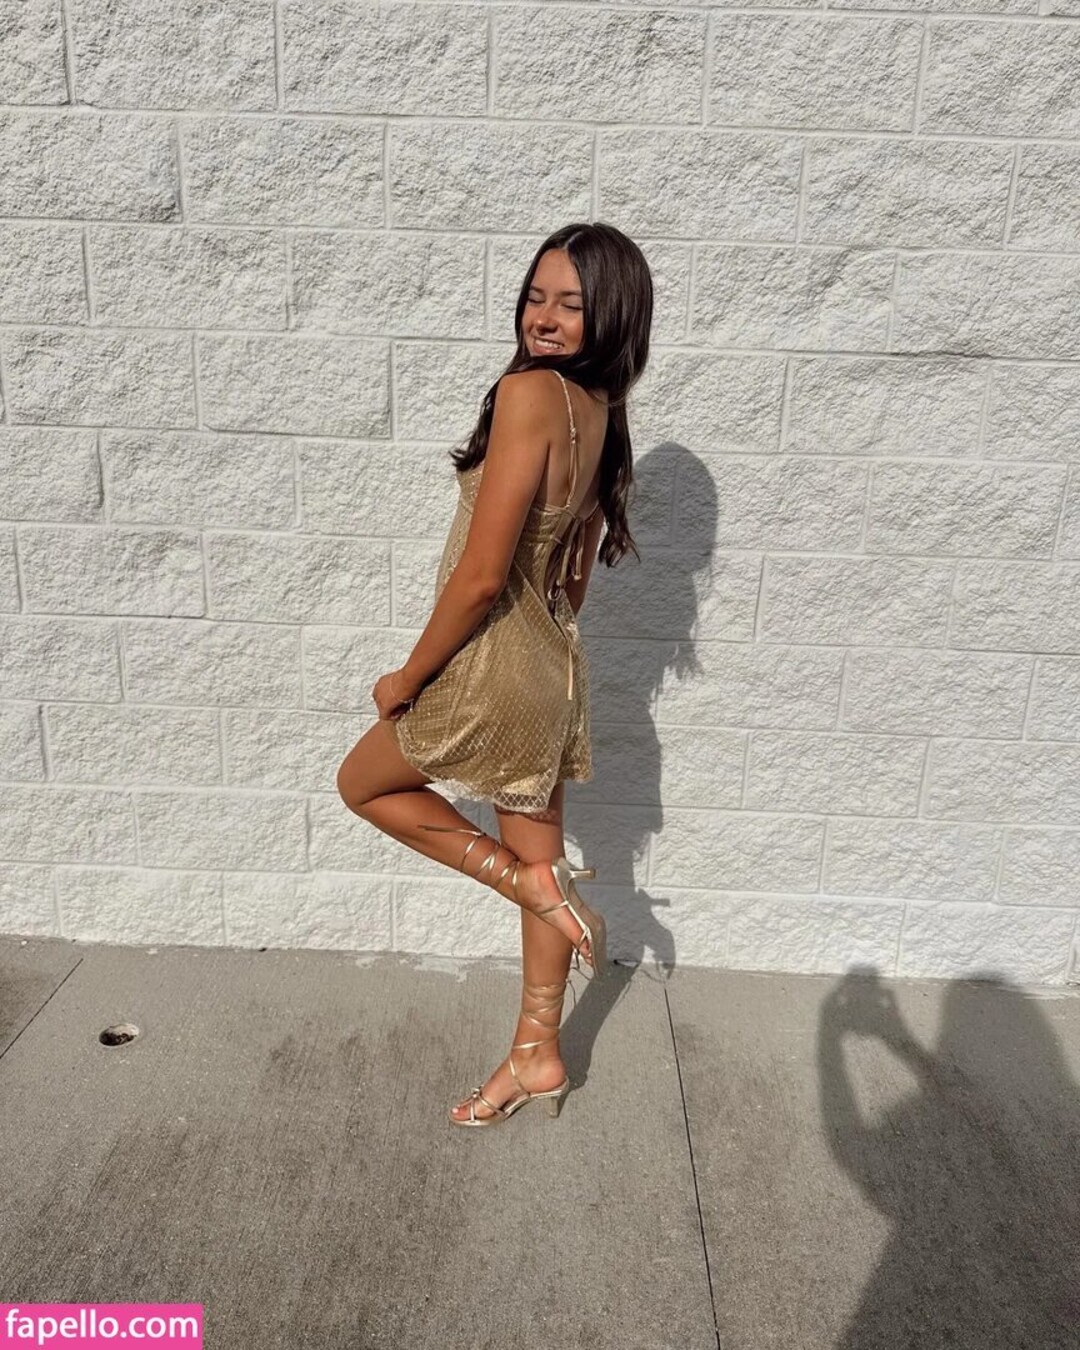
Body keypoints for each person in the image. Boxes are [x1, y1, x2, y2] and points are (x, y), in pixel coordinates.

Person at [336, 221, 653, 1127]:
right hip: (551, 671)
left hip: (493, 667)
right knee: (542, 858)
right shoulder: (600, 413)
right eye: (534, 296)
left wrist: (408, 676)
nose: (543, 318)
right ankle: (537, 1054)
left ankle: (530, 890)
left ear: (611, 316)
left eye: (571, 304)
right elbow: (574, 581)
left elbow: (481, 578)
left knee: (362, 783)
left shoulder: (527, 394)